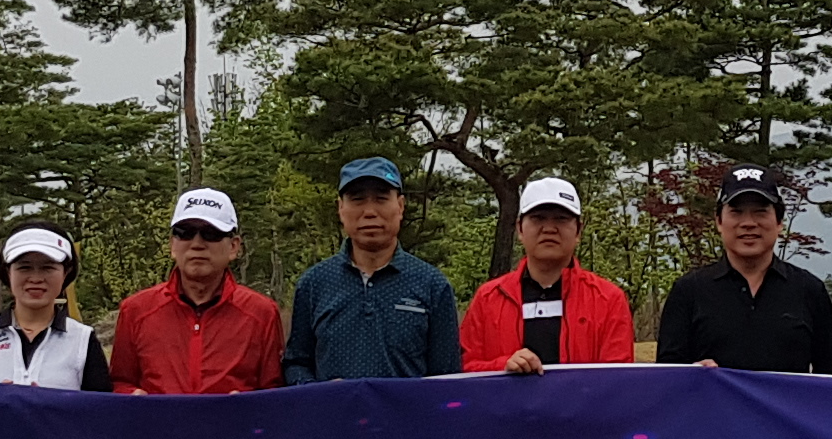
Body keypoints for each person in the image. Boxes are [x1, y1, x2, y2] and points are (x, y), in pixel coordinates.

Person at [653, 166, 832, 373]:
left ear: (779, 222)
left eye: (760, 212)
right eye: (736, 212)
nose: (748, 223)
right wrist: (693, 373)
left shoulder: (809, 291)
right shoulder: (688, 291)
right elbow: (667, 377)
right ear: (719, 221)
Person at [285, 158, 464, 383]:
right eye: (357, 199)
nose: (369, 212)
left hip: (407, 407)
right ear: (341, 208)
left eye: (381, 199)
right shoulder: (314, 283)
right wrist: (319, 392)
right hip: (333, 407)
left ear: (400, 206)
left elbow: (447, 377)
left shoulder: (432, 285)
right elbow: (296, 363)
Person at [110, 186, 285, 395]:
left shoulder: (262, 313)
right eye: (185, 233)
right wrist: (131, 395)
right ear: (172, 245)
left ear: (234, 247)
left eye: (211, 234)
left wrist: (249, 405)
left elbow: (274, 392)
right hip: (158, 418)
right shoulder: (136, 310)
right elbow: (119, 382)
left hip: (234, 419)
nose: (197, 244)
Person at [462, 177, 637, 375]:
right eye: (538, 218)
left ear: (579, 230)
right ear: (520, 229)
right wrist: (503, 367)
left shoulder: (608, 300)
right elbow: (463, 371)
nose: (549, 228)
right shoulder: (488, 298)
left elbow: (618, 378)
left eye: (561, 219)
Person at [0, 223, 112, 389]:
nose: (36, 278)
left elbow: (99, 403)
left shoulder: (82, 339)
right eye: (24, 267)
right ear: (8, 272)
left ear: (66, 273)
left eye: (48, 268)